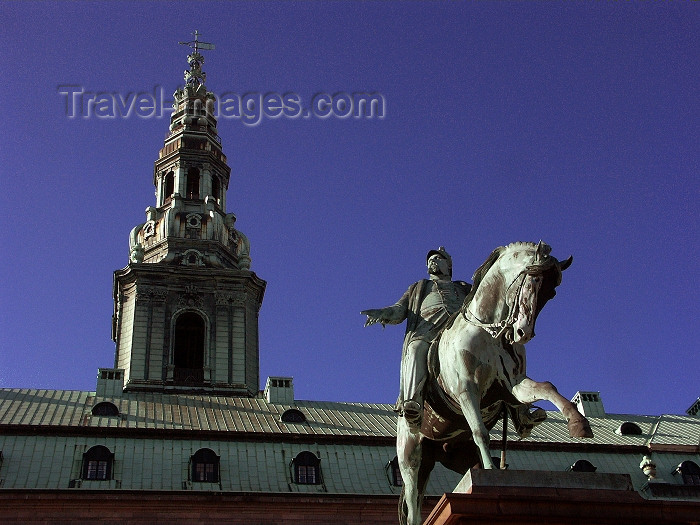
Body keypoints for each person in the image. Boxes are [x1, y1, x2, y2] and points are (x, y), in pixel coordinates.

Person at [362, 247, 470, 430]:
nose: (432, 262)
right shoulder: (418, 287)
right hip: (427, 333)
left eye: (438, 258)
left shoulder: (464, 288)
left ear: (449, 265)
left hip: (461, 332)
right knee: (415, 349)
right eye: (430, 260)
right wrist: (382, 313)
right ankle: (413, 402)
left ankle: (517, 408)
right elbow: (399, 310)